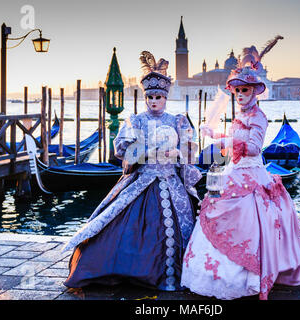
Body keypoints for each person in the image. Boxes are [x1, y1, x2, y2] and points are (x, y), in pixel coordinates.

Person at [180, 40, 300, 300]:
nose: (241, 94)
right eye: (238, 90)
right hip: (234, 169)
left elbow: (252, 148)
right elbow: (233, 146)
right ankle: (211, 274)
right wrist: (214, 134)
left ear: (255, 91)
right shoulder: (240, 116)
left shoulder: (259, 117)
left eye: (245, 90)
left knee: (245, 218)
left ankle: (248, 276)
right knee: (215, 207)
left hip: (251, 174)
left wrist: (225, 140)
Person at [63, 51, 202, 291]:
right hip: (143, 181)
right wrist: (146, 152)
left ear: (166, 97)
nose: (154, 101)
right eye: (150, 97)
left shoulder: (178, 121)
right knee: (116, 225)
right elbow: (123, 150)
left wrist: (177, 154)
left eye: (158, 97)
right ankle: (116, 269)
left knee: (180, 226)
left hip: (171, 182)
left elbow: (190, 151)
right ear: (145, 97)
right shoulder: (135, 121)